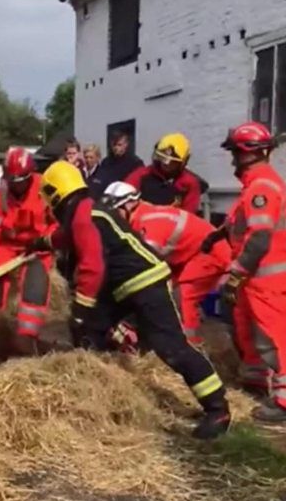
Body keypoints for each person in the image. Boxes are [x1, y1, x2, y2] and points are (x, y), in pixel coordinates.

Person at [35, 161, 231, 439]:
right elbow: (67, 236)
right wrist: (42, 242)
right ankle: (96, 392)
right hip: (124, 286)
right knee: (91, 331)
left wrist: (81, 308)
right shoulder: (84, 211)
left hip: (145, 282)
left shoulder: (84, 215)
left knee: (171, 346)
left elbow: (92, 267)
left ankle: (217, 408)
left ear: (56, 194)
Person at [207, 122, 286, 422]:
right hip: (257, 279)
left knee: (273, 337)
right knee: (250, 331)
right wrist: (215, 236)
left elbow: (259, 237)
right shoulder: (255, 185)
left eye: (235, 153)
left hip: (265, 279)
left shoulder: (261, 187)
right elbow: (240, 224)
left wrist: (236, 274)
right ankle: (255, 377)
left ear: (248, 153)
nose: (233, 160)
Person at [101, 181, 231, 347]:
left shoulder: (150, 224)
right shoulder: (139, 218)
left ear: (129, 205)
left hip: (210, 254)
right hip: (189, 256)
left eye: (114, 212)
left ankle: (189, 346)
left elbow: (143, 266)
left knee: (182, 296)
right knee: (168, 297)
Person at [0, 147, 57, 346]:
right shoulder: (0, 194)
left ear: (29, 176)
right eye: (12, 182)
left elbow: (57, 223)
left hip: (36, 247)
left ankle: (27, 338)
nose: (16, 187)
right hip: (6, 246)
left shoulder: (45, 190)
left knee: (36, 282)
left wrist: (46, 241)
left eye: (20, 182)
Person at [124, 132, 207, 214]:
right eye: (163, 158)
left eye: (172, 162)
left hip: (172, 224)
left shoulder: (189, 183)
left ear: (183, 162)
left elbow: (189, 216)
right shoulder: (142, 174)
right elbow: (124, 195)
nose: (166, 163)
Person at [87, 131, 143, 197]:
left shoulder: (135, 163)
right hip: (106, 197)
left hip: (125, 198)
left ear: (126, 144)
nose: (116, 148)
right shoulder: (106, 162)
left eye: (119, 145)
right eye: (114, 145)